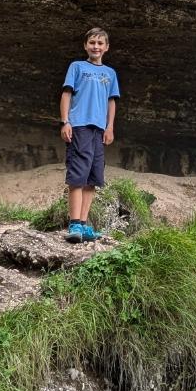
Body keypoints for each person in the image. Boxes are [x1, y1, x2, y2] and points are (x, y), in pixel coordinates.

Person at [60, 25, 120, 244]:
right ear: (86, 45)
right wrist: (66, 122)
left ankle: (84, 225)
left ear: (106, 47)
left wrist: (110, 126)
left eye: (100, 43)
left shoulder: (110, 73)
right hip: (80, 126)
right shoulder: (76, 67)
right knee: (78, 173)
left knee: (93, 177)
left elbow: (111, 101)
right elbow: (66, 94)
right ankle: (74, 223)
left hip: (98, 129)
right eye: (92, 42)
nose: (96, 46)